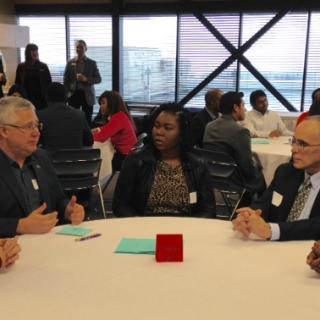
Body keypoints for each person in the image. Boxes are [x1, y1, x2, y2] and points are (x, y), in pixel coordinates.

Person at [0, 96, 85, 238]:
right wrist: (19, 226)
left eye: (37, 125)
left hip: (48, 243)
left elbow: (58, 200)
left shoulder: (41, 157)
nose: (36, 133)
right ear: (4, 131)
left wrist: (68, 210)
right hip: (10, 251)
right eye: (28, 126)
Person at [112, 103, 216, 218]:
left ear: (182, 134)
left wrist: (191, 228)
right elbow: (119, 205)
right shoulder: (136, 161)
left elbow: (209, 210)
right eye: (156, 126)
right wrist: (139, 224)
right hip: (145, 227)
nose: (159, 132)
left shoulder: (197, 164)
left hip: (186, 229)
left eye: (167, 128)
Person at [232, 116, 320, 241]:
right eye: (294, 141)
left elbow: (315, 226)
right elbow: (264, 203)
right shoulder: (286, 172)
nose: (293, 149)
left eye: (303, 144)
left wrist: (272, 230)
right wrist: (249, 215)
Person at [203, 91, 266, 196]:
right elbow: (247, 168)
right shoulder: (240, 131)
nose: (245, 109)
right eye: (243, 105)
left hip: (213, 177)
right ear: (236, 108)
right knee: (263, 176)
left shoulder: (209, 127)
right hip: (235, 181)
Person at [37, 82, 93, 151]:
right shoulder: (79, 114)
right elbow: (89, 141)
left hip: (50, 160)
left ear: (46, 97)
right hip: (76, 160)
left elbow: (36, 141)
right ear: (65, 97)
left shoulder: (40, 115)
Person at [92, 91, 137, 171]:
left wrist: (87, 136)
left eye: (103, 103)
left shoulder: (118, 117)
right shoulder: (120, 115)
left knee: (97, 159)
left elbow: (101, 137)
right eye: (100, 104)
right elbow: (107, 128)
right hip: (129, 156)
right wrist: (97, 130)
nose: (101, 106)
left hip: (124, 158)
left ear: (111, 104)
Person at [63, 40, 101, 125]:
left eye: (81, 47)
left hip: (87, 95)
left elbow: (98, 79)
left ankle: (87, 138)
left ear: (86, 49)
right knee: (73, 119)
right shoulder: (70, 63)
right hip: (74, 94)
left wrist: (86, 79)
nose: (79, 49)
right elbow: (66, 79)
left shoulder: (92, 63)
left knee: (87, 120)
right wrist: (67, 93)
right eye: (77, 47)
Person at [15, 43, 52, 110]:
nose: (35, 52)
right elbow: (17, 84)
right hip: (25, 99)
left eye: (36, 50)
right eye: (32, 50)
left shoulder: (43, 66)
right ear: (27, 53)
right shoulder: (21, 67)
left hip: (41, 100)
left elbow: (49, 83)